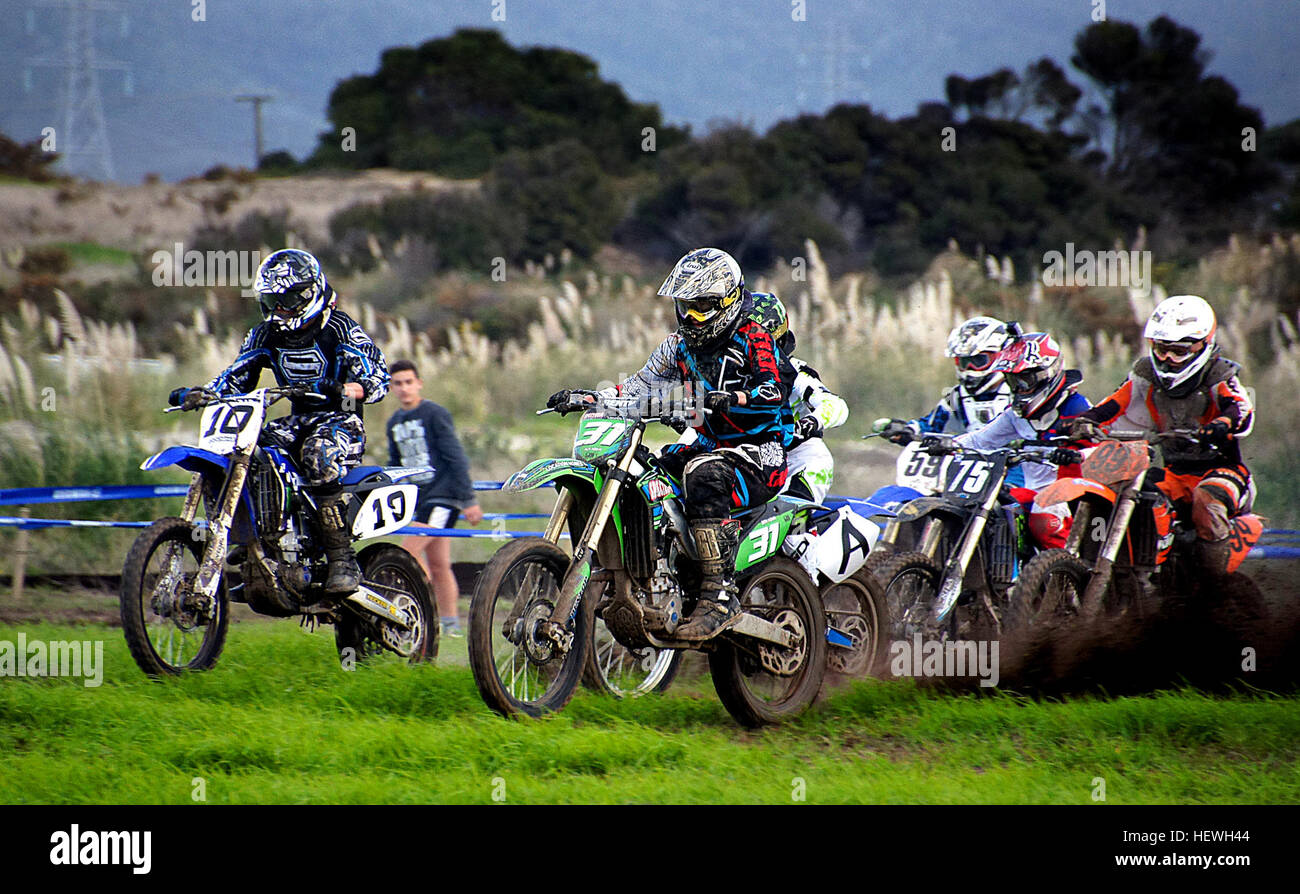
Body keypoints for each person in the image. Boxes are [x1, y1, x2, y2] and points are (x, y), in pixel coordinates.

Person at [548, 247, 795, 640]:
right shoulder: (676, 346)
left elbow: (776, 387)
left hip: (759, 454)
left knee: (702, 474)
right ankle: (662, 568)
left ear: (728, 302)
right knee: (650, 472)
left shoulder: (754, 338)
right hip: (710, 445)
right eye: (685, 306)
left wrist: (733, 397)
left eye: (702, 306)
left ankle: (719, 597)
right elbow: (637, 386)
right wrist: (590, 397)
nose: (691, 317)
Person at [169, 248, 390, 596]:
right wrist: (203, 393)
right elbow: (237, 375)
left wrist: (340, 388)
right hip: (297, 419)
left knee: (317, 454)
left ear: (306, 294)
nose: (277, 310)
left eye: (284, 300)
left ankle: (341, 557)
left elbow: (378, 380)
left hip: (341, 423)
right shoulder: (266, 334)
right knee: (249, 448)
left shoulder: (341, 329)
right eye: (271, 301)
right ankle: (257, 544)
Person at [1069, 295, 1255, 573]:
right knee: (1132, 495)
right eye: (1161, 349)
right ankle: (1143, 570)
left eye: (1178, 351)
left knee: (1206, 501)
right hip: (1174, 474)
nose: (1167, 359)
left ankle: (1215, 585)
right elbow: (1114, 402)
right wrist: (1084, 420)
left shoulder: (1218, 373)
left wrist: (1221, 425)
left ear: (1202, 345)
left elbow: (1239, 407)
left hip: (1222, 471)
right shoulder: (1145, 373)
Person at [951, 330, 1091, 549]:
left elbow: (1104, 450)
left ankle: (1067, 572)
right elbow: (981, 440)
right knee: (994, 506)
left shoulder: (1078, 408)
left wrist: (1077, 454)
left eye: (1025, 380)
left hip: (1075, 497)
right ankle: (1008, 574)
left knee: (1045, 517)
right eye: (1013, 381)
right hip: (1033, 492)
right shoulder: (1016, 415)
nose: (1019, 389)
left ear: (1046, 373)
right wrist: (949, 445)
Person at [386, 359, 483, 636]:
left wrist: (469, 500)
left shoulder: (435, 414)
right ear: (391, 387)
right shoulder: (395, 421)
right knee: (439, 565)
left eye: (408, 382)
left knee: (407, 554)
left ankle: (423, 617)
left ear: (419, 384)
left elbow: (456, 457)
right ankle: (450, 626)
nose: (404, 388)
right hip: (417, 500)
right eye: (397, 384)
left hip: (443, 498)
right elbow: (395, 464)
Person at [875, 315, 1013, 442]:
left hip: (1019, 465)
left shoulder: (1018, 393)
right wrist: (906, 430)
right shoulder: (955, 396)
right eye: (965, 362)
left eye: (978, 360)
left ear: (1002, 356)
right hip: (975, 464)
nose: (970, 369)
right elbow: (931, 425)